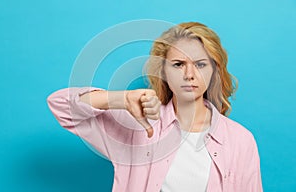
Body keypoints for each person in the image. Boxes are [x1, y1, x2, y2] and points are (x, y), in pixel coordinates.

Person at [47, 22, 263, 192]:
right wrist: (120, 99)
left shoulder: (240, 140)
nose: (189, 75)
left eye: (200, 64)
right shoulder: (136, 127)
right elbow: (60, 105)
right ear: (164, 72)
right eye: (178, 64)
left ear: (214, 70)